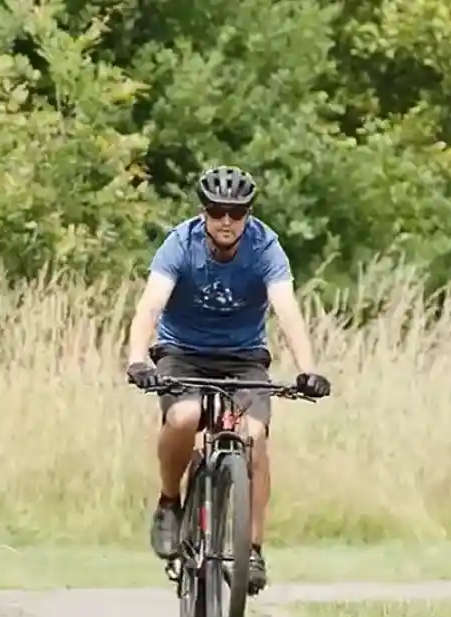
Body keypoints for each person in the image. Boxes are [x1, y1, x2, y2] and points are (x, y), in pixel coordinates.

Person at [124, 165, 331, 593]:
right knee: (183, 417)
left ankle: (251, 549)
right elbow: (150, 306)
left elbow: (286, 308)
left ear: (247, 215)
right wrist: (138, 358)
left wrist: (308, 369)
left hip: (243, 358)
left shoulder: (265, 246)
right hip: (183, 354)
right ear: (204, 212)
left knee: (254, 436)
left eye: (236, 213)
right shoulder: (180, 244)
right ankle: (169, 501)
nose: (226, 221)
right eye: (217, 211)